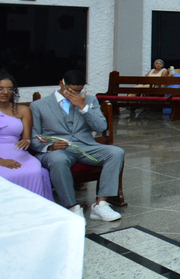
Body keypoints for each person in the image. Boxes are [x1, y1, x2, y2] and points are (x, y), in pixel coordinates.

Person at [30, 69, 125, 220]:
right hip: (58, 150)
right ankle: (72, 207)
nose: (76, 94)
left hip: (86, 146)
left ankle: (101, 205)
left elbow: (101, 127)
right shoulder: (39, 106)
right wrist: (50, 147)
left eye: (79, 90)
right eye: (71, 90)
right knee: (58, 160)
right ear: (62, 83)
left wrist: (83, 107)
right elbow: (33, 138)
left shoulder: (89, 100)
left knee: (116, 152)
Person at [0, 73, 53, 200]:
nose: (5, 92)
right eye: (0, 88)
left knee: (35, 170)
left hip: (16, 152)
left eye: (10, 89)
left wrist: (26, 141)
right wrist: (0, 161)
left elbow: (26, 137)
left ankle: (32, 208)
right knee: (3, 174)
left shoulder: (23, 110)